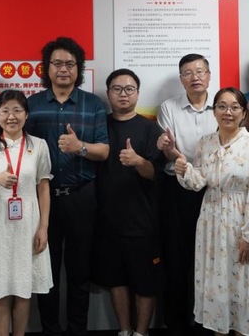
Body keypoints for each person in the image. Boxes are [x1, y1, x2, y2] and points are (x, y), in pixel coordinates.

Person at [26, 36, 109, 336]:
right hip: (42, 199)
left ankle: (77, 330)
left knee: (79, 272)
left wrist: (80, 147)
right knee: (45, 272)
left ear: (79, 69)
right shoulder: (31, 105)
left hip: (81, 198)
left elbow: (104, 151)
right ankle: (50, 330)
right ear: (46, 68)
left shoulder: (92, 104)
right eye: (57, 63)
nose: (63, 69)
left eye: (70, 64)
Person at [174, 87, 249, 336]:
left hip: (241, 222)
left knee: (243, 285)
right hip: (210, 223)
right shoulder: (205, 143)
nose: (228, 112)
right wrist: (184, 170)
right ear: (214, 111)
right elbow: (199, 183)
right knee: (217, 289)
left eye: (234, 107)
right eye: (222, 106)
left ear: (243, 112)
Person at [0, 90, 53, 336]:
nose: (11, 116)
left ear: (26, 115)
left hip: (28, 221)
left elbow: (43, 187)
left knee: (22, 289)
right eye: (5, 111)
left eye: (17, 110)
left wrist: (43, 227)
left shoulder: (39, 145)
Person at [94, 69, 164, 336]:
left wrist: (138, 162)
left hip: (142, 222)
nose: (123, 94)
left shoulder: (150, 127)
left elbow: (156, 173)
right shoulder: (99, 125)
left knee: (146, 283)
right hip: (107, 221)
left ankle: (141, 332)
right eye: (117, 89)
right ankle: (124, 330)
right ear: (108, 92)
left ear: (137, 93)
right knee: (116, 280)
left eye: (129, 89)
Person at [155, 53, 217, 336]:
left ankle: (210, 323)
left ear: (209, 75)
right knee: (177, 258)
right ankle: (177, 324)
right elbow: (170, 150)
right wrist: (171, 152)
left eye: (200, 71)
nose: (195, 77)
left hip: (212, 190)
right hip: (177, 190)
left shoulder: (222, 105)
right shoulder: (168, 107)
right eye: (188, 73)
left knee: (212, 256)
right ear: (181, 79)